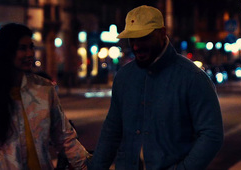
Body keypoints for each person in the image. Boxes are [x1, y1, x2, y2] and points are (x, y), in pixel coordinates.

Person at [89, 5, 224, 170]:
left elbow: (211, 135)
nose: (136, 46)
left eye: (144, 38)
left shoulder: (192, 78)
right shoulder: (124, 77)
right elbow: (112, 129)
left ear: (162, 33)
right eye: (132, 39)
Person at [0, 23, 90, 170]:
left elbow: (64, 137)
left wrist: (88, 165)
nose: (29, 53)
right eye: (22, 48)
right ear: (6, 52)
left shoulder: (44, 89)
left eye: (31, 47)